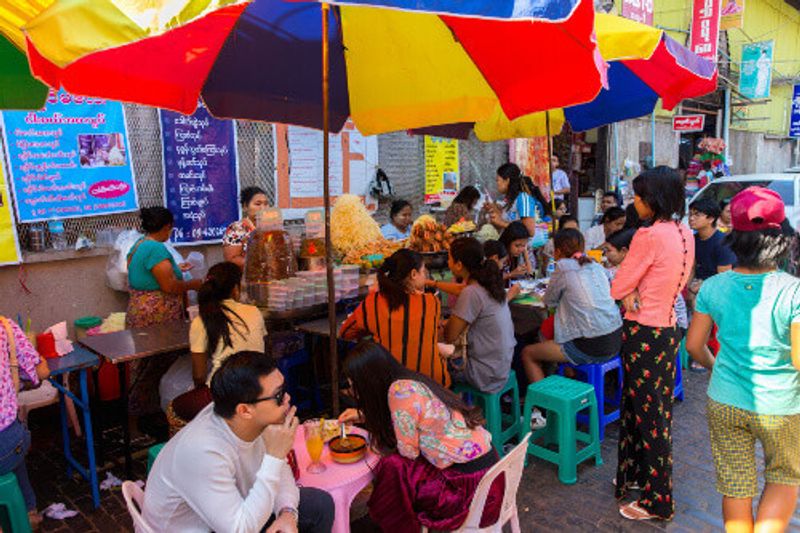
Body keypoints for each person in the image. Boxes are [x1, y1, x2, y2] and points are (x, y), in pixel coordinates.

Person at [686, 187, 800, 533]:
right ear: (781, 238)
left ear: (733, 235)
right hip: (780, 404)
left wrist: (716, 367)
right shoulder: (792, 290)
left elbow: (693, 345)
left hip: (724, 399)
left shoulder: (713, 287)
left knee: (735, 484)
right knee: (782, 478)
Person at [143, 351, 334, 533]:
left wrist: (287, 513)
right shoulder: (203, 452)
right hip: (204, 528)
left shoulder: (246, 418)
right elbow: (239, 529)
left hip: (232, 512)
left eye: (284, 390)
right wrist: (275, 457)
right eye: (278, 396)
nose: (287, 399)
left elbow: (280, 473)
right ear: (245, 410)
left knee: (320, 504)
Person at [337, 341, 503, 532]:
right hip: (491, 473)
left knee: (393, 465)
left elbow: (409, 452)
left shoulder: (398, 392)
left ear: (368, 380)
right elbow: (417, 417)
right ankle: (387, 514)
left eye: (353, 383)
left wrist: (376, 446)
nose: (353, 389)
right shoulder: (409, 381)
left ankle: (394, 521)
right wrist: (362, 415)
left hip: (468, 491)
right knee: (395, 467)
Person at [610, 166, 694, 521]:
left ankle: (658, 500)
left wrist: (628, 291)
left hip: (644, 332)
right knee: (648, 409)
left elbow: (616, 286)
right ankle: (637, 476)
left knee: (649, 416)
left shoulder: (648, 235)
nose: (635, 202)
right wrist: (633, 290)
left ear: (653, 199)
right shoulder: (684, 232)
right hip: (667, 330)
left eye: (639, 197)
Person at [127, 207, 203, 434]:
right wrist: (192, 284)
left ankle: (143, 417)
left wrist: (177, 270)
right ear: (166, 227)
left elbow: (148, 274)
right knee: (155, 363)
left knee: (142, 363)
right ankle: (144, 418)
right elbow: (168, 286)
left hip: (139, 309)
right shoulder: (156, 248)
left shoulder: (139, 245)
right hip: (156, 313)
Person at [161, 262, 267, 420]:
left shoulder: (201, 321)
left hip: (223, 394)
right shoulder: (254, 311)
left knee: (174, 409)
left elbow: (199, 375)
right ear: (235, 289)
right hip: (258, 385)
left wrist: (201, 393)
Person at [521, 229, 622, 384]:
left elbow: (549, 301)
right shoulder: (595, 265)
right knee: (554, 330)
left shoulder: (563, 266)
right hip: (616, 339)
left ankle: (543, 404)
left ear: (558, 251)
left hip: (591, 345)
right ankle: (569, 375)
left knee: (528, 353)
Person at [340, 249, 448, 386]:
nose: (425, 275)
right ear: (413, 274)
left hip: (391, 386)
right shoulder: (431, 302)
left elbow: (345, 332)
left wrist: (376, 327)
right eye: (424, 271)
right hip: (432, 385)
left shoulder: (373, 302)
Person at [431, 237, 516, 394]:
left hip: (484, 374)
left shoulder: (472, 292)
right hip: (500, 365)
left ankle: (454, 413)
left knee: (430, 366)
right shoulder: (488, 283)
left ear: (458, 265)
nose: (447, 262)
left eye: (449, 258)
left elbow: (450, 335)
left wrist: (439, 325)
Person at [0, 317, 49, 529]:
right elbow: (42, 371)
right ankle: (28, 511)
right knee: (11, 449)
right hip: (9, 444)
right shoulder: (6, 328)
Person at [488, 163, 550, 238]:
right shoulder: (509, 200)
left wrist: (501, 223)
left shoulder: (523, 198)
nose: (497, 184)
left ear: (507, 180)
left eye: (498, 180)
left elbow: (529, 231)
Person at [223, 186, 269, 269]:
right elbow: (231, 259)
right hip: (247, 277)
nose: (263, 208)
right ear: (245, 206)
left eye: (266, 204)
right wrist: (260, 263)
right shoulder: (237, 229)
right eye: (258, 204)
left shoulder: (270, 227)